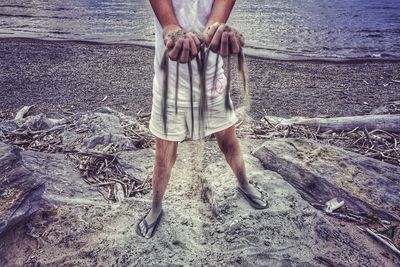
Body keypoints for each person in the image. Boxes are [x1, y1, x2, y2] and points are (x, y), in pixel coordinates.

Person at [136, 0, 268, 239]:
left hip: (211, 77)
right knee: (164, 154)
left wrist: (217, 31)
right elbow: (169, 24)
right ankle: (155, 207)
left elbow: (214, 25)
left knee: (228, 140)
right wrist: (173, 31)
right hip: (170, 80)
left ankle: (244, 184)